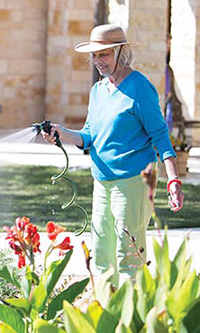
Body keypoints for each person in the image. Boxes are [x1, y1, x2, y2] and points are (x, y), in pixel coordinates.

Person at [41, 24, 184, 286]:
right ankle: (105, 311)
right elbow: (88, 136)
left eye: (103, 55)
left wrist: (173, 179)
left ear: (120, 52)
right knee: (102, 253)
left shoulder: (140, 87)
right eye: (94, 56)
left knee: (127, 252)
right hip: (102, 182)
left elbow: (160, 135)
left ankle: (131, 319)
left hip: (132, 182)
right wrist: (61, 133)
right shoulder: (98, 90)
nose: (97, 61)